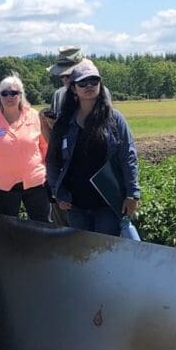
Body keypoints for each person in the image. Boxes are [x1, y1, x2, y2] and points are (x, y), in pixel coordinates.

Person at [46, 61, 141, 237]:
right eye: (83, 83)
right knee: (83, 254)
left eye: (94, 81)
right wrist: (57, 192)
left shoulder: (114, 119)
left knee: (105, 251)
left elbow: (128, 157)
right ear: (74, 89)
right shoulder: (64, 123)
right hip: (76, 204)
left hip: (107, 201)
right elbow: (52, 160)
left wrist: (132, 193)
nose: (89, 86)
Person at [0, 73, 50, 221]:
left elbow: (44, 146)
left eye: (14, 93)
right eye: (5, 93)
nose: (9, 97)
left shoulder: (34, 116)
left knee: (42, 227)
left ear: (21, 95)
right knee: (6, 229)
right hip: (3, 185)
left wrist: (46, 171)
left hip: (35, 182)